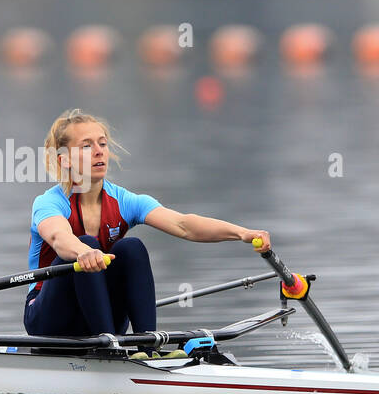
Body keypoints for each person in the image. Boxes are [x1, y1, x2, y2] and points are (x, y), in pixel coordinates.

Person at [25, 109, 271, 353]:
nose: (99, 151)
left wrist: (242, 233)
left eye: (102, 143)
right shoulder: (48, 203)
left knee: (131, 248)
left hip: (102, 317)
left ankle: (147, 345)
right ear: (64, 159)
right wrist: (82, 252)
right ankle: (110, 348)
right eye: (86, 146)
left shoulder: (124, 201)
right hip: (50, 321)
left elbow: (184, 225)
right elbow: (59, 237)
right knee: (88, 242)